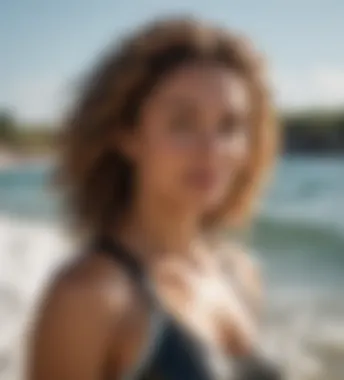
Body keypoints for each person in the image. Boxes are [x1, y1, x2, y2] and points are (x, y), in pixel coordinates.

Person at [27, 16, 279, 380]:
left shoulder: (241, 273)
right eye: (183, 123)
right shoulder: (90, 297)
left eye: (230, 126)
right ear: (127, 136)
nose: (212, 150)